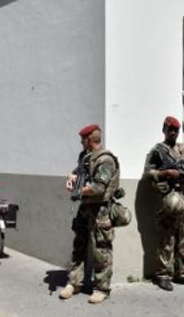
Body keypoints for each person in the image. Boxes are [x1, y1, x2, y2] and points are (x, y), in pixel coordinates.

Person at [142, 116, 184, 291]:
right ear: (164, 129)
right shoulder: (157, 151)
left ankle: (182, 273)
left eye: (176, 130)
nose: (173, 132)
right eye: (170, 129)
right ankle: (162, 274)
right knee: (166, 238)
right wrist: (166, 173)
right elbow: (148, 174)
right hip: (168, 200)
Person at [59, 124, 120, 304]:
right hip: (85, 208)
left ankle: (102, 288)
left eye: (82, 139)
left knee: (101, 250)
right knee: (79, 246)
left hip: (100, 210)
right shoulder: (85, 157)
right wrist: (72, 177)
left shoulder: (105, 160)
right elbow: (79, 173)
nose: (80, 142)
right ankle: (74, 283)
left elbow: (99, 187)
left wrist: (80, 191)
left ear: (90, 140)